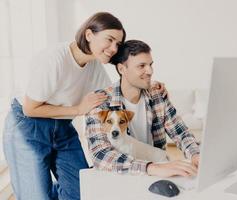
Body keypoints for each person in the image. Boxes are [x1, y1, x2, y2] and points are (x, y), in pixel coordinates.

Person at [3, 12, 164, 200]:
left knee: (82, 192)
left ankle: (44, 188)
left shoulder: (94, 68)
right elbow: (29, 109)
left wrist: (148, 86)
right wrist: (78, 109)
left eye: (118, 44)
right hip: (27, 125)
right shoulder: (53, 59)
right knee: (36, 196)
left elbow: (114, 98)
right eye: (110, 40)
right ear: (89, 35)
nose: (113, 48)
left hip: (61, 126)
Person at [85, 40, 200, 178]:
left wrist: (195, 155)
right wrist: (150, 168)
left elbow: (180, 132)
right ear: (122, 69)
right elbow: (100, 154)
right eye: (141, 66)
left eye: (150, 65)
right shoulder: (100, 101)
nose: (150, 71)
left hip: (157, 170)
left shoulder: (157, 94)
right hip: (122, 175)